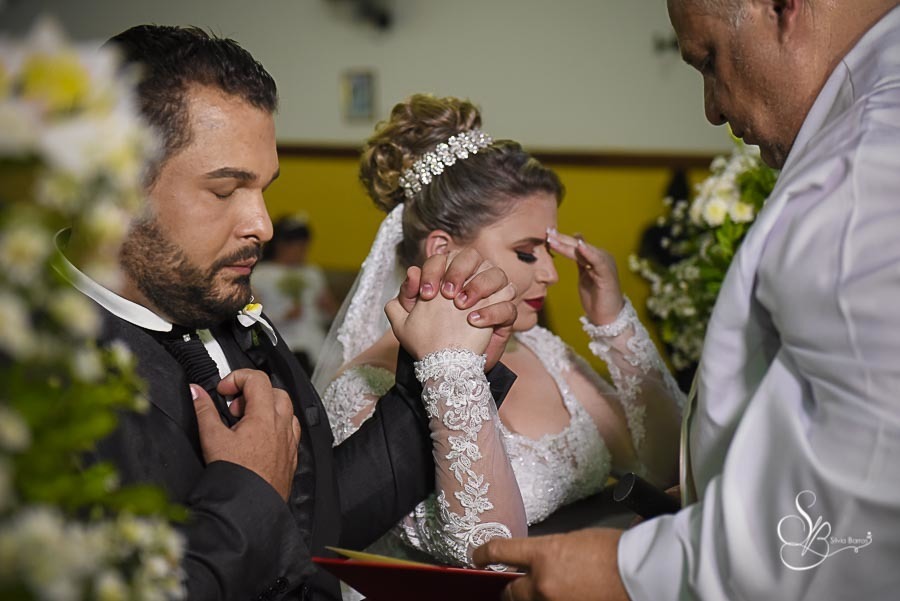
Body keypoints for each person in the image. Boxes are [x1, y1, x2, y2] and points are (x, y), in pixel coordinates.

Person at [58, 25, 520, 601]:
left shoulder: (218, 305)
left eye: (264, 189)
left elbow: (316, 524)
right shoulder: (36, 380)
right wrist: (245, 492)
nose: (263, 225)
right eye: (225, 191)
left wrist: (438, 375)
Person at [474, 1, 900, 599]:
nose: (711, 109)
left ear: (781, 7)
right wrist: (719, 506)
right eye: (526, 252)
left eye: (708, 60)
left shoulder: (863, 172)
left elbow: (870, 496)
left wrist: (631, 571)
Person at [313, 94, 684, 572]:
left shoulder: (542, 350)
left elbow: (669, 465)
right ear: (442, 250)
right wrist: (451, 367)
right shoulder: (365, 388)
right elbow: (487, 554)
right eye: (527, 253)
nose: (551, 274)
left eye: (549, 250)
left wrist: (613, 321)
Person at [253, 214, 337, 374]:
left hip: (313, 337)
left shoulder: (312, 273)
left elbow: (329, 312)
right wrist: (282, 316)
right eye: (297, 246)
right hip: (279, 335)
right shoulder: (260, 274)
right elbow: (253, 314)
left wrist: (327, 309)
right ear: (280, 245)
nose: (301, 252)